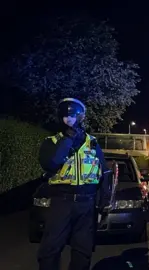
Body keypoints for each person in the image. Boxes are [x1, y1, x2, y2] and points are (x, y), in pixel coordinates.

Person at [37, 98, 111, 270]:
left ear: (81, 117)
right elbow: (51, 164)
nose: (68, 119)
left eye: (72, 115)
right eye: (65, 116)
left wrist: (104, 198)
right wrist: (67, 140)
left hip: (87, 202)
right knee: (50, 248)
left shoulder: (92, 142)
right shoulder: (53, 141)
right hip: (62, 201)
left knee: (83, 249)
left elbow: (104, 170)